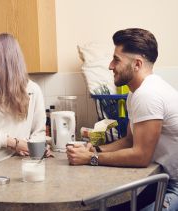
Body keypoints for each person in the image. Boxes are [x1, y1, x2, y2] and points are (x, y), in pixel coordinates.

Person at [66, 28, 178, 210]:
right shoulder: (135, 94)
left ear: (137, 64)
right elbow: (130, 140)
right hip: (161, 179)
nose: (110, 66)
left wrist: (91, 158)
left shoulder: (148, 94)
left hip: (174, 185)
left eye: (116, 59)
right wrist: (95, 148)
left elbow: (141, 156)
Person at [0, 33, 48, 170]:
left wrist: (34, 149)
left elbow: (38, 132)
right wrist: (14, 143)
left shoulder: (33, 90)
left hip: (16, 165)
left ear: (5, 56)